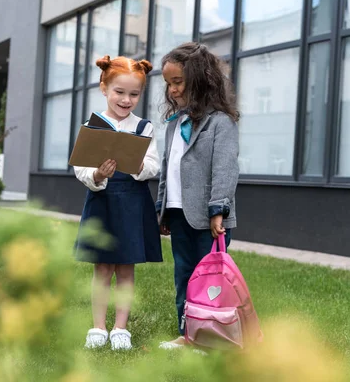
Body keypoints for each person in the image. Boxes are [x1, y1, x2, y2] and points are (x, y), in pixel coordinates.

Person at [74, 55, 162, 351]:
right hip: (103, 201)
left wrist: (135, 165)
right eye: (119, 92)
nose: (126, 100)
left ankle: (120, 328)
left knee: (126, 268)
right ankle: (98, 327)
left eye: (134, 94)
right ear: (104, 88)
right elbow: (81, 167)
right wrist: (98, 173)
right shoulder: (92, 125)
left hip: (132, 204)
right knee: (102, 268)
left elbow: (153, 165)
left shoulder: (144, 128)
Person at [155, 42, 240, 349]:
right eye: (169, 84)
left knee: (210, 281)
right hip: (179, 214)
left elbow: (225, 168)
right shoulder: (174, 124)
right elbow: (168, 168)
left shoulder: (220, 123)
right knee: (184, 276)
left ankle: (212, 336)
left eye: (178, 82)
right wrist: (163, 209)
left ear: (199, 80)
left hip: (208, 217)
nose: (173, 90)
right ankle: (187, 333)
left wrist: (219, 208)